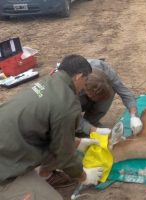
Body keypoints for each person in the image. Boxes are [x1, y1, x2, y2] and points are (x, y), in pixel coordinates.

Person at [0, 54, 103, 200]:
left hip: (10, 143)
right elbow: (64, 155)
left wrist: (79, 142)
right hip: (5, 163)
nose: (85, 86)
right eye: (86, 80)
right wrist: (84, 176)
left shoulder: (49, 82)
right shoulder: (67, 103)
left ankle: (46, 176)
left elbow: (48, 130)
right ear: (79, 76)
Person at [77, 59, 143, 136]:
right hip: (74, 100)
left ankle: (91, 122)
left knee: (109, 92)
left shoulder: (107, 72)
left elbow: (125, 93)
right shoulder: (73, 83)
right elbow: (71, 114)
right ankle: (81, 129)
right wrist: (92, 130)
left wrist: (134, 116)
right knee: (70, 121)